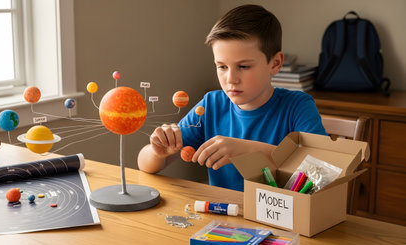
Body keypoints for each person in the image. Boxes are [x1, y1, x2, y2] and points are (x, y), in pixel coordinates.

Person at [138, 4, 326, 191]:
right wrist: (157, 152)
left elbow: (322, 169)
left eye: (243, 67)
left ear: (275, 63)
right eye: (222, 66)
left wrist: (250, 151)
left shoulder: (298, 106)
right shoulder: (211, 105)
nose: (230, 79)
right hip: (224, 213)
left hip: (281, 217)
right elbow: (145, 164)